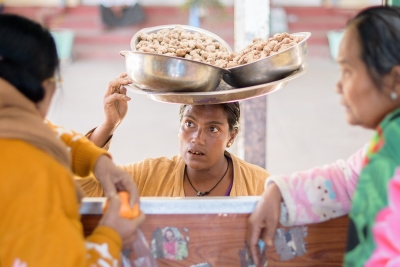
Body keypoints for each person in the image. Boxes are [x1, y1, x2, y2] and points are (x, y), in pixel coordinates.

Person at [246, 6, 400, 267]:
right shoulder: (384, 149)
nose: (338, 86)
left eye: (348, 71)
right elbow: (342, 180)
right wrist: (279, 192)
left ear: (394, 81)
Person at [0, 14, 144, 266]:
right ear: (48, 87)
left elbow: (42, 132)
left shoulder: (18, 133)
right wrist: (111, 234)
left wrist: (96, 159)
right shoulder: (37, 173)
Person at [78, 74, 270, 197]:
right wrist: (109, 124)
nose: (197, 138)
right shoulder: (150, 175)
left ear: (232, 136)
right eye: (189, 124)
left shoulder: (260, 185)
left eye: (212, 129)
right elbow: (83, 189)